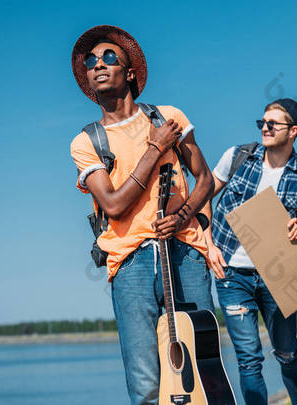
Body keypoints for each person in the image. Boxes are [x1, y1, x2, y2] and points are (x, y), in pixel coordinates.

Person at [69, 25, 220, 405]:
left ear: (130, 73)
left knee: (202, 370)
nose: (97, 65)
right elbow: (115, 205)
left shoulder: (167, 116)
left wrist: (184, 215)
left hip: (185, 252)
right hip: (130, 262)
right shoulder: (86, 142)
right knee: (146, 383)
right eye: (90, 61)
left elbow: (205, 180)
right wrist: (155, 149)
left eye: (108, 57)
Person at [203, 98, 297, 405]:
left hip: (279, 274)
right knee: (249, 359)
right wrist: (208, 243)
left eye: (273, 123)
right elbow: (202, 197)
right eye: (263, 122)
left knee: (287, 352)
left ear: (293, 131)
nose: (265, 128)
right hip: (231, 273)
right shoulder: (238, 156)